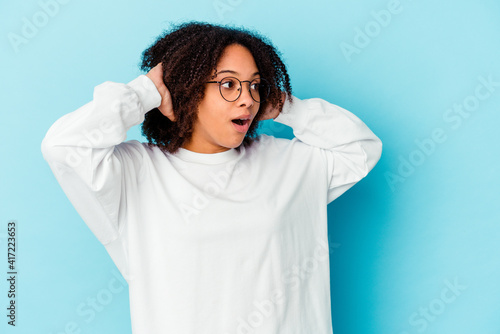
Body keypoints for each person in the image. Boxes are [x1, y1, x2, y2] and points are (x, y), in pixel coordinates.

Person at [41, 21, 382, 334]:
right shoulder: (136, 173)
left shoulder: (290, 163)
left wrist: (284, 106)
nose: (247, 99)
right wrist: (144, 93)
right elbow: (63, 146)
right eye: (229, 84)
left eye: (254, 86)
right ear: (187, 89)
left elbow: (361, 148)